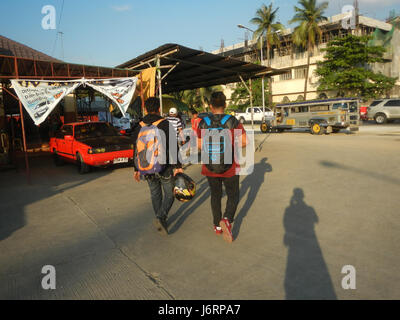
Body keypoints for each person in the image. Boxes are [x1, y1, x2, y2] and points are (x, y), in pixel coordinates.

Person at [196, 92, 247, 243]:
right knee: (233, 195)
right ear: (225, 105)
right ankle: (227, 219)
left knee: (215, 195)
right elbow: (244, 142)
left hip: (210, 166)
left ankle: (216, 226)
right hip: (230, 166)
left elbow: (198, 145)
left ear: (210, 106)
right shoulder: (232, 121)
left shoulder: (202, 122)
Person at [132, 98, 183, 235]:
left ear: (146, 109)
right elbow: (173, 145)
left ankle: (159, 217)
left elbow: (135, 149)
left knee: (155, 193)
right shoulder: (164, 124)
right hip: (164, 166)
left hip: (146, 166)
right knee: (170, 193)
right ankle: (161, 217)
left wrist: (136, 169)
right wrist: (178, 166)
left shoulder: (139, 125)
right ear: (159, 109)